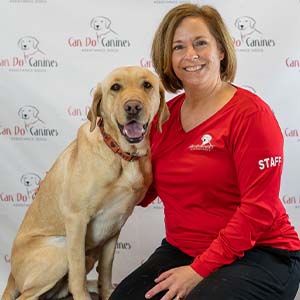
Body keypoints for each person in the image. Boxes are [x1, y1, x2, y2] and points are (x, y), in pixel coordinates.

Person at [109, 3, 300, 300]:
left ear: (221, 51)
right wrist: (90, 184)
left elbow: (258, 210)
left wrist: (199, 270)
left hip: (262, 254)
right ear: (168, 58)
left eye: (200, 43)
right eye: (178, 47)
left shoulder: (250, 115)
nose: (191, 55)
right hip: (183, 250)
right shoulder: (163, 117)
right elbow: (144, 190)